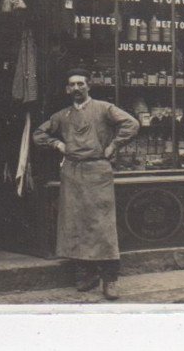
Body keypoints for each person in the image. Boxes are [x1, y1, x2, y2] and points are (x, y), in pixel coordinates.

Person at [33, 69, 139, 299]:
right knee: (77, 224)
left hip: (98, 171)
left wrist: (113, 146)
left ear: (88, 86)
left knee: (102, 225)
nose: (77, 88)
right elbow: (39, 134)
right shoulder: (62, 115)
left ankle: (110, 279)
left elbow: (131, 124)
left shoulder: (103, 108)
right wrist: (57, 144)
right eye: (73, 85)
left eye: (81, 83)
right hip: (72, 172)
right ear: (67, 90)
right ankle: (88, 273)